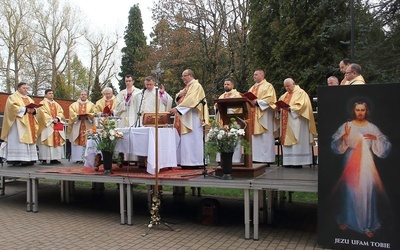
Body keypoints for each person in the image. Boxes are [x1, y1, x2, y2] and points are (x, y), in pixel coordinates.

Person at [331, 101, 391, 238]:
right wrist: (345, 137)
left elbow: (385, 143)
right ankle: (347, 219)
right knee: (350, 191)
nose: (360, 112)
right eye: (357, 110)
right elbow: (334, 142)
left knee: (366, 191)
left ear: (366, 111)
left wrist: (375, 138)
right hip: (350, 160)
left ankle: (367, 225)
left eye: (362, 110)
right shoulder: (347, 125)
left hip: (367, 162)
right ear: (353, 110)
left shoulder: (372, 127)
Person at [169, 69, 209, 168]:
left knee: (192, 138)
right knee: (185, 139)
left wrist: (177, 108)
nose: (183, 77)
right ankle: (185, 161)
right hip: (185, 115)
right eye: (182, 76)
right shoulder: (188, 86)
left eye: (185, 75)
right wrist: (179, 96)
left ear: (191, 75)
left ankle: (194, 162)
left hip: (193, 117)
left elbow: (192, 100)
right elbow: (179, 96)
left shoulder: (196, 86)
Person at [277, 78, 317, 168]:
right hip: (286, 122)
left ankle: (298, 162)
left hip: (298, 122)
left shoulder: (301, 93)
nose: (287, 88)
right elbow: (279, 105)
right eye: (285, 86)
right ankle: (288, 162)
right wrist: (279, 109)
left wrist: (290, 109)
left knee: (297, 139)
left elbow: (303, 105)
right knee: (287, 140)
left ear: (293, 83)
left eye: (288, 86)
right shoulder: (284, 96)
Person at [0, 82, 38, 166]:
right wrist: (25, 110)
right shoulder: (12, 97)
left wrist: (34, 110)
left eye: (26, 88)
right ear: (18, 88)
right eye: (24, 88)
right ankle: (16, 159)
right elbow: (12, 108)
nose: (26, 90)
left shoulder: (29, 99)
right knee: (18, 138)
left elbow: (35, 108)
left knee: (29, 139)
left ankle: (29, 158)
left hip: (29, 122)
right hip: (18, 124)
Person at [247, 69, 277, 164]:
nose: (254, 76)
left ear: (262, 75)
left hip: (264, 116)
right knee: (254, 139)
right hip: (253, 114)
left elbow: (270, 99)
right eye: (254, 74)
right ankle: (255, 158)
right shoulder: (252, 88)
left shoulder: (268, 86)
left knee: (265, 137)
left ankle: (265, 159)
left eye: (256, 74)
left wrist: (257, 102)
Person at [215, 78, 243, 163]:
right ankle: (221, 159)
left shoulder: (237, 95)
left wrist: (229, 110)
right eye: (225, 84)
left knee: (234, 139)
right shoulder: (221, 96)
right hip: (223, 122)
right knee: (222, 138)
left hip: (233, 122)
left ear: (232, 85)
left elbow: (239, 107)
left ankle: (235, 159)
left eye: (228, 84)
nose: (226, 86)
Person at [37, 89, 65, 165]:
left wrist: (58, 118)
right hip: (47, 125)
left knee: (57, 141)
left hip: (56, 125)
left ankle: (55, 159)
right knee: (46, 141)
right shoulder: (42, 103)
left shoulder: (56, 104)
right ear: (45, 95)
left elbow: (61, 112)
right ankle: (44, 159)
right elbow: (42, 113)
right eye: (49, 93)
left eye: (52, 93)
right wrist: (51, 120)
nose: (51, 95)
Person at [67, 90, 96, 163]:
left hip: (87, 124)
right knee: (77, 139)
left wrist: (88, 116)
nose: (83, 96)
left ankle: (87, 158)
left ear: (87, 95)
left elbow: (94, 113)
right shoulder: (74, 105)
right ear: (79, 95)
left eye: (85, 94)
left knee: (88, 140)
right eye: (82, 94)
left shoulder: (91, 105)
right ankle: (78, 158)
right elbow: (71, 114)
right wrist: (78, 117)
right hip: (78, 125)